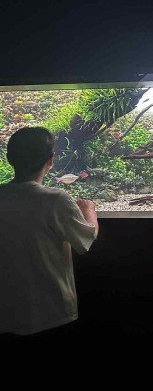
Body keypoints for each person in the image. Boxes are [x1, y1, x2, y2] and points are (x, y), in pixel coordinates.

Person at [0, 126, 99, 337]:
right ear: (51, 159)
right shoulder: (55, 200)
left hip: (6, 310)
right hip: (52, 312)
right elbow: (86, 239)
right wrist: (89, 210)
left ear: (9, 158)